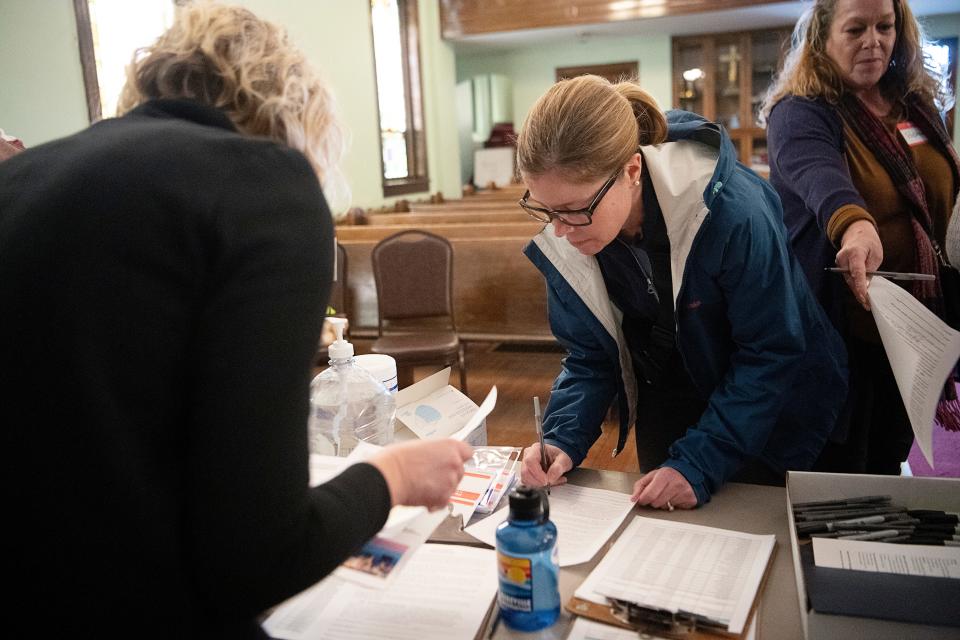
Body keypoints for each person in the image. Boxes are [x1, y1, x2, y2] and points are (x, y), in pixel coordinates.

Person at [0, 4, 471, 638]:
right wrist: (392, 476)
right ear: (290, 103)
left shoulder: (22, 177)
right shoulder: (262, 185)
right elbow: (258, 555)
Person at [516, 74, 848, 509]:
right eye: (545, 209)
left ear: (631, 171)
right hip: (672, 390)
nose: (558, 230)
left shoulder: (732, 213)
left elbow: (771, 352)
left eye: (574, 211)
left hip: (773, 409)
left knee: (755, 540)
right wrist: (562, 436)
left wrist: (700, 462)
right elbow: (591, 355)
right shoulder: (576, 228)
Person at [763, 0, 960, 474]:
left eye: (884, 27)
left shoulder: (915, 106)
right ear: (822, 40)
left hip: (915, 322)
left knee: (890, 458)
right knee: (841, 468)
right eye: (856, 30)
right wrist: (857, 225)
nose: (874, 42)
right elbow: (824, 181)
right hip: (842, 328)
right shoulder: (799, 113)